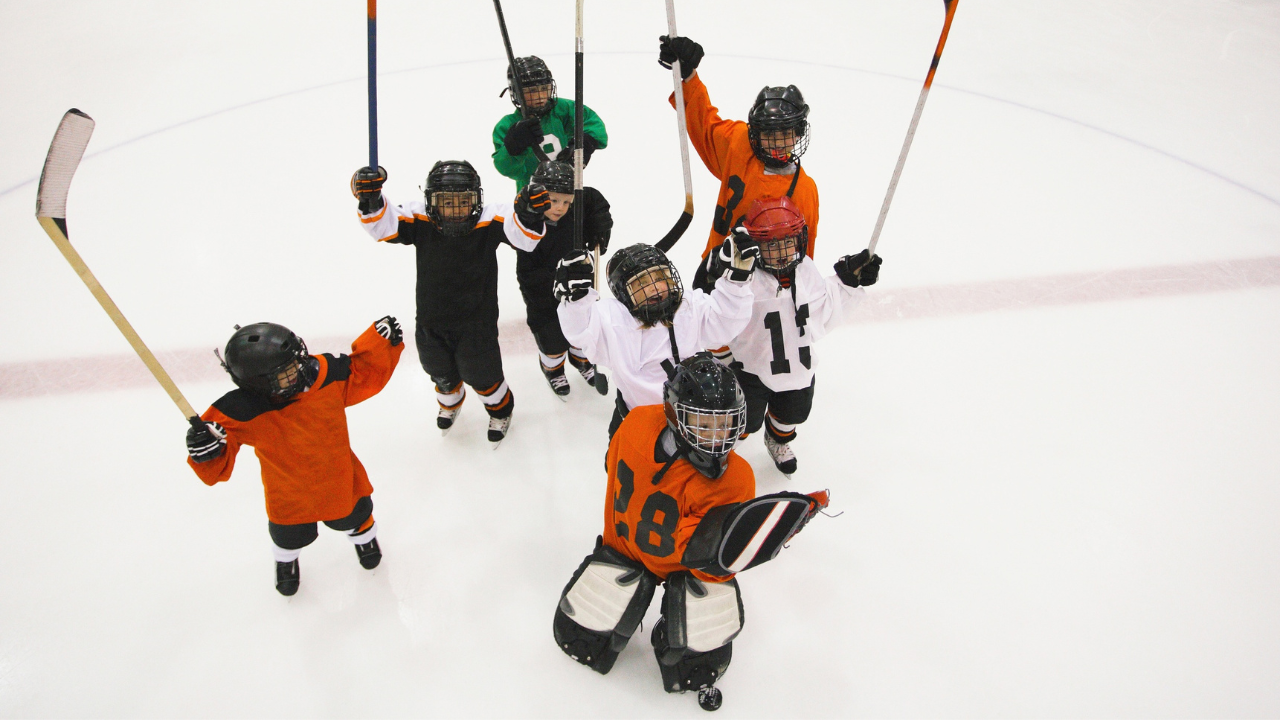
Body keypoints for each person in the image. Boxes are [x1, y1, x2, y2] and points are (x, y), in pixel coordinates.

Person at [551, 353, 828, 710]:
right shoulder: (735, 477)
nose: (717, 438)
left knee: (680, 616)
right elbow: (705, 556)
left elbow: (612, 470)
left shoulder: (634, 421)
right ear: (675, 414)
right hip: (660, 558)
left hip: (624, 549)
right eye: (703, 424)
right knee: (701, 620)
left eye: (726, 424)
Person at [185, 318, 404, 596]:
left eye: (296, 359)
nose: (299, 368)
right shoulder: (240, 409)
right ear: (259, 384)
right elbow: (217, 452)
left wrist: (378, 343)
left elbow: (363, 374)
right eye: (286, 370)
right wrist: (207, 450)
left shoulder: (325, 375)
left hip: (339, 478)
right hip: (288, 493)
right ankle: (286, 561)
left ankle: (364, 540)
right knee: (288, 536)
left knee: (356, 514)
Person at [350, 160, 546, 443]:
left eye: (464, 201)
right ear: (431, 202)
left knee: (483, 375)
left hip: (477, 325)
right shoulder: (421, 219)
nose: (455, 210)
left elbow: (525, 238)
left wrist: (528, 214)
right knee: (438, 371)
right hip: (431, 322)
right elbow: (383, 226)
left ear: (477, 200)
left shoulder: (489, 219)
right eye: (446, 202)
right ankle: (451, 402)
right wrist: (371, 198)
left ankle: (500, 410)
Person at [723, 196, 882, 475]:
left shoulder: (805, 269)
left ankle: (777, 439)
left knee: (794, 412)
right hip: (751, 368)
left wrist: (849, 280)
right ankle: (726, 448)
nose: (783, 251)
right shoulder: (745, 277)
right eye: (771, 245)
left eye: (787, 242)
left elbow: (822, 310)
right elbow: (721, 312)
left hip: (797, 367)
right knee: (741, 419)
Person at [658, 35, 820, 293]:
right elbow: (705, 124)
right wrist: (687, 76)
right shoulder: (739, 143)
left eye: (786, 133)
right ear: (756, 134)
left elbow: (802, 254)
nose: (777, 142)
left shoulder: (805, 190)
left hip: (767, 292)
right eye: (769, 134)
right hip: (716, 276)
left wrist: (792, 298)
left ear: (799, 132)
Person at [553, 236, 757, 439]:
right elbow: (580, 331)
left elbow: (726, 322)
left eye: (661, 277)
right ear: (623, 293)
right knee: (619, 466)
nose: (655, 287)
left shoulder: (687, 307)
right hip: (637, 420)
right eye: (641, 282)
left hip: (693, 421)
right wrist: (575, 302)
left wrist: (736, 283)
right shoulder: (612, 318)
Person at [516, 160, 612, 399]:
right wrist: (557, 282)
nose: (560, 207)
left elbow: (593, 200)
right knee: (552, 342)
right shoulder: (529, 226)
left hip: (578, 286)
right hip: (543, 296)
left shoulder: (575, 216)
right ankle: (553, 368)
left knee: (583, 330)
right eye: (553, 200)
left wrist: (600, 224)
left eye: (567, 201)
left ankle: (581, 360)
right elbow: (527, 273)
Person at [492, 56, 609, 191]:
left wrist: (585, 142)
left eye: (544, 88)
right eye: (532, 91)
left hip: (567, 194)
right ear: (516, 92)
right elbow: (506, 169)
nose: (539, 97)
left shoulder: (563, 109)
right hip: (532, 197)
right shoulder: (508, 125)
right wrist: (514, 146)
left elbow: (593, 124)